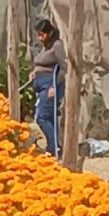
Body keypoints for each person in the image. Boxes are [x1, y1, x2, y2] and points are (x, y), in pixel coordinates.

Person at [30, 19, 66, 155]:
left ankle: (54, 147)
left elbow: (63, 68)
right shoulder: (45, 47)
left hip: (50, 85)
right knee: (50, 117)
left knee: (42, 117)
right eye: (38, 35)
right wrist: (35, 72)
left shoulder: (57, 45)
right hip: (41, 85)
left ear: (49, 33)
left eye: (42, 35)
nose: (40, 38)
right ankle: (55, 147)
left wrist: (54, 86)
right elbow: (42, 64)